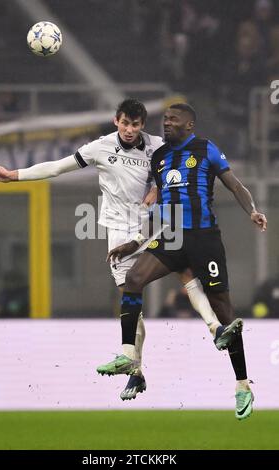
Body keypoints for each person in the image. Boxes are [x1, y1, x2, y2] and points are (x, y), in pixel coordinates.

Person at [0, 98, 237, 401]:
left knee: (184, 270)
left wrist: (158, 188)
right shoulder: (99, 148)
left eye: (135, 124)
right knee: (131, 299)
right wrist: (13, 175)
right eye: (125, 123)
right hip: (118, 230)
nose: (130, 130)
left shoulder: (156, 144)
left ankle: (215, 329)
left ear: (142, 125)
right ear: (116, 121)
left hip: (149, 223)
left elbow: (177, 161)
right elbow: (56, 167)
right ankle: (136, 371)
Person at [101, 103, 268, 420]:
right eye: (164, 119)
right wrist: (136, 242)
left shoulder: (206, 149)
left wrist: (253, 211)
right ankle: (127, 357)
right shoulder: (159, 158)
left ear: (189, 125)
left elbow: (235, 184)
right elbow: (157, 205)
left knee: (224, 310)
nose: (166, 123)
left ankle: (242, 385)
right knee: (133, 280)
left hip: (205, 239)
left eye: (173, 120)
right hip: (172, 236)